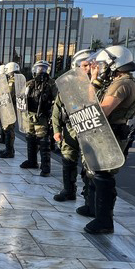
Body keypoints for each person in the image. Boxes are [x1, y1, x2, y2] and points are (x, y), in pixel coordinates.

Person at [81, 46, 135, 234]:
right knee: (95, 172)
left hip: (112, 132)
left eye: (102, 64)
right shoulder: (121, 81)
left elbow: (101, 111)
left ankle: (104, 220)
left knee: (103, 176)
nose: (100, 67)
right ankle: (93, 208)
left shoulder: (122, 84)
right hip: (108, 131)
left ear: (114, 63)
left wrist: (94, 83)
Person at [52, 50, 92, 201]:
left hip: (89, 129)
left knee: (89, 165)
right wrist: (56, 130)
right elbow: (57, 109)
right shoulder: (67, 87)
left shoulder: (97, 84)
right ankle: (68, 190)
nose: (88, 69)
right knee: (68, 161)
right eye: (85, 65)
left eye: (90, 65)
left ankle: (89, 197)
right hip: (70, 129)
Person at [20, 61, 57, 176]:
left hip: (42, 115)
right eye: (39, 69)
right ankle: (32, 161)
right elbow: (21, 98)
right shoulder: (29, 83)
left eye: (43, 69)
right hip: (29, 114)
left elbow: (57, 100)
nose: (41, 71)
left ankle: (45, 166)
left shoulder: (52, 84)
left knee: (43, 140)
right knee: (30, 137)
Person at [0, 62, 21, 158]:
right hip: (15, 107)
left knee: (9, 129)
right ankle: (9, 149)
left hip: (11, 107)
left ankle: (10, 151)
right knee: (9, 128)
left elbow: (10, 95)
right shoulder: (19, 79)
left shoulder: (13, 80)